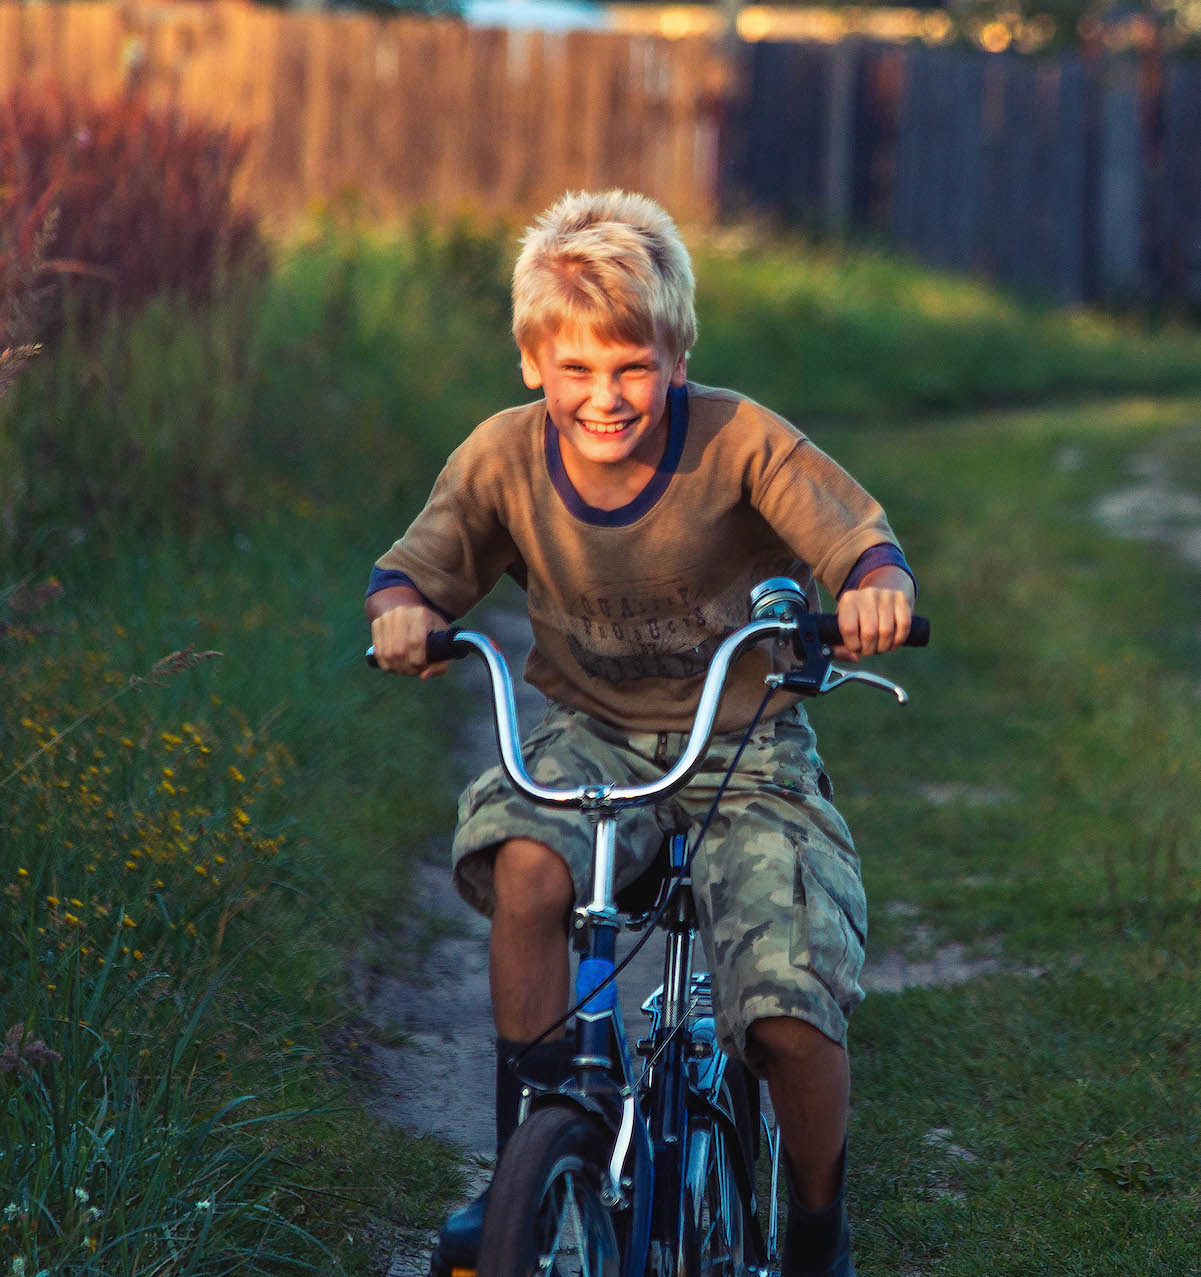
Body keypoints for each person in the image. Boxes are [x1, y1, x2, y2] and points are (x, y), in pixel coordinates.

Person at [366, 189, 916, 1276]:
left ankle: (815, 1226)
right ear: (535, 364)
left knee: (786, 1006)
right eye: (577, 370)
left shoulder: (737, 439)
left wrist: (874, 586)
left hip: (743, 743)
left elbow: (856, 536)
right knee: (525, 864)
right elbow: (419, 564)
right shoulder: (502, 456)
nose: (606, 397)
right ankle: (533, 1142)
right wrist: (405, 614)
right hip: (594, 732)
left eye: (633, 368)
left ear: (675, 355)